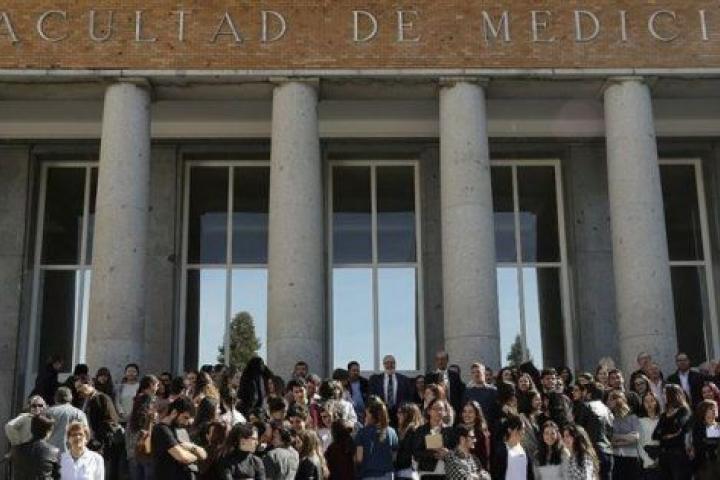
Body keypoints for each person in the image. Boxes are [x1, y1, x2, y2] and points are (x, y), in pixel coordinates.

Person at [151, 396, 207, 480]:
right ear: (174, 412)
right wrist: (197, 456)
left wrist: (191, 447)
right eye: (185, 417)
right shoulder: (162, 430)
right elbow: (183, 458)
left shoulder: (179, 430)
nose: (186, 423)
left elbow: (204, 454)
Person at [652, 384, 693, 480]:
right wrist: (669, 435)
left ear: (672, 395)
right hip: (664, 454)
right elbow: (655, 435)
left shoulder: (683, 411)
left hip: (678, 454)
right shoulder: (664, 415)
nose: (662, 396)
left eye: (665, 393)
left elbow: (677, 427)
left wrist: (664, 432)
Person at [575, 381, 614, 480]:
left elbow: (579, 430)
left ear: (589, 394)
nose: (582, 393)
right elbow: (611, 431)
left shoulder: (585, 406)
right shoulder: (606, 409)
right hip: (608, 451)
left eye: (584, 391)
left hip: (593, 452)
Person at [413, 398, 457, 478]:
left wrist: (448, 453)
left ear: (445, 412)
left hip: (446, 472)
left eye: (441, 409)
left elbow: (456, 451)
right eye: (435, 409)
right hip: (426, 472)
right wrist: (433, 454)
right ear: (429, 411)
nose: (438, 412)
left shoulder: (450, 431)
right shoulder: (421, 430)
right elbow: (415, 452)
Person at [355, 398, 398, 479]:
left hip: (368, 474)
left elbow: (359, 458)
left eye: (366, 414)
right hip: (387, 474)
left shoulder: (362, 433)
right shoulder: (392, 431)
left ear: (370, 415)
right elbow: (394, 457)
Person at [11, 414, 61, 479]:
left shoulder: (17, 449)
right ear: (48, 431)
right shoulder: (54, 452)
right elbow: (57, 476)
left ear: (31, 429)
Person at [369, 355, 413, 426]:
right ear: (383, 365)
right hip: (381, 415)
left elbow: (409, 398)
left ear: (395, 364)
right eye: (387, 363)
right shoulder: (375, 380)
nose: (389, 365)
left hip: (400, 416)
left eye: (392, 363)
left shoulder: (404, 380)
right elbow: (372, 397)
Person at [606, 390, 641, 479]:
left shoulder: (633, 417)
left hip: (632, 457)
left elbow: (636, 438)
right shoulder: (609, 418)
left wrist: (617, 439)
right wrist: (626, 437)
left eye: (611, 399)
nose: (608, 402)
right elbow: (610, 439)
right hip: (616, 457)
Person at [45, 386, 88, 453]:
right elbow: (85, 433)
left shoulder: (47, 412)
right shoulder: (79, 413)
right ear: (71, 398)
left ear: (55, 398)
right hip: (71, 452)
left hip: (49, 452)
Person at [491, 413, 533, 480]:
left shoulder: (525, 450)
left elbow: (530, 474)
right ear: (510, 430)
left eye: (524, 429)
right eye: (521, 429)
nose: (523, 432)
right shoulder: (501, 451)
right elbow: (496, 475)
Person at [126, 392, 156, 480]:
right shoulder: (151, 417)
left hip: (133, 455)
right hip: (147, 454)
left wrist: (129, 454)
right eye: (152, 403)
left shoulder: (131, 418)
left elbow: (127, 437)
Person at [463, 363, 499, 434]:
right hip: (473, 431)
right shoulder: (467, 392)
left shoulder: (493, 391)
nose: (476, 374)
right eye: (473, 372)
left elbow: (497, 412)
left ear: (484, 373)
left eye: (478, 372)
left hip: (491, 430)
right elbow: (464, 412)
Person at [426, 350, 465, 415]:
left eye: (442, 359)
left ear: (447, 360)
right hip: (436, 411)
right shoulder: (430, 377)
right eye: (438, 359)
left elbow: (459, 393)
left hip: (452, 410)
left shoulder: (454, 375)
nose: (440, 362)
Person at [691, 399, 720, 480]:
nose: (714, 410)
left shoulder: (718, 426)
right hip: (705, 465)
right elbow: (699, 445)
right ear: (703, 411)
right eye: (711, 408)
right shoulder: (698, 427)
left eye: (715, 408)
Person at [460, 400, 491, 471]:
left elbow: (487, 455)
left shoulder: (482, 432)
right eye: (464, 411)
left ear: (476, 414)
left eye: (470, 412)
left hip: (477, 470)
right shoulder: (459, 429)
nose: (466, 414)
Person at [637, 392, 662, 479]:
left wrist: (660, 458)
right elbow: (638, 443)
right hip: (646, 453)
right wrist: (647, 460)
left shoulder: (662, 419)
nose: (649, 404)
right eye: (646, 401)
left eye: (652, 400)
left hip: (661, 453)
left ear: (656, 402)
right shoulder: (640, 421)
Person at [395, 402, 422, 479]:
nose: (397, 415)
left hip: (408, 472)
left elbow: (411, 452)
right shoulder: (402, 431)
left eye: (400, 412)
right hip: (402, 471)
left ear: (408, 414)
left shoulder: (413, 431)